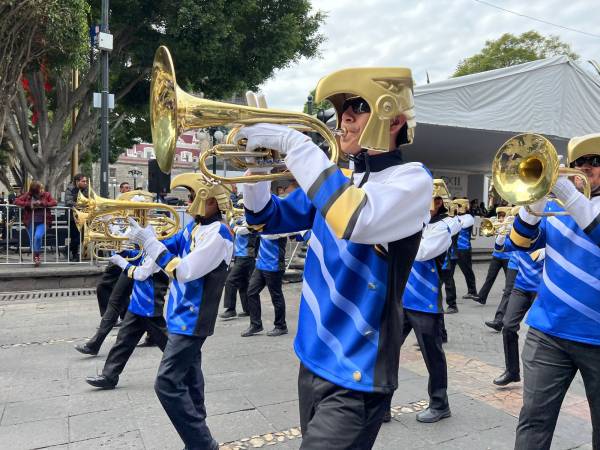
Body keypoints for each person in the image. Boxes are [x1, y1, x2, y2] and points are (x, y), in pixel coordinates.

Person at [241, 67, 431, 449]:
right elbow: (264, 219)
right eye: (343, 107)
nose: (343, 117)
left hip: (358, 368)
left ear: (393, 119)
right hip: (312, 355)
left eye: (357, 107)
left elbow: (353, 217)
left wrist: (293, 144)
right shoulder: (341, 178)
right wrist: (257, 172)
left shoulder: (413, 180)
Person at [128, 173, 233, 450]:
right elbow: (167, 246)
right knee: (190, 380)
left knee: (166, 384)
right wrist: (143, 235)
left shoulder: (219, 233)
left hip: (193, 318)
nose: (188, 202)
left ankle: (202, 444)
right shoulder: (195, 228)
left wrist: (149, 243)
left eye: (192, 196)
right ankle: (196, 441)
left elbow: (184, 271)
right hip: (179, 316)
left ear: (210, 200)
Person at [508, 133, 600, 450]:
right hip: (548, 333)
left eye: (595, 162)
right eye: (578, 163)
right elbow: (518, 243)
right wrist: (533, 200)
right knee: (533, 421)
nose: (585, 169)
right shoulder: (558, 207)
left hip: (597, 337)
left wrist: (567, 194)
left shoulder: (575, 204)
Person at [382, 194, 461, 423]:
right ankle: (382, 405)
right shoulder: (408, 226)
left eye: (429, 201)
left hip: (424, 303)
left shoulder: (441, 229)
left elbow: (422, 252)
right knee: (387, 352)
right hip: (400, 299)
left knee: (433, 356)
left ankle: (440, 404)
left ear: (438, 204)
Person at [84, 251, 169, 388]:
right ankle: (109, 376)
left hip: (149, 304)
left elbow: (142, 273)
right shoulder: (149, 245)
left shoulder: (161, 247)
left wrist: (121, 262)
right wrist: (123, 251)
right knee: (123, 340)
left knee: (168, 342)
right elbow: (140, 255)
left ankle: (190, 368)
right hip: (138, 302)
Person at [493, 246, 545, 386]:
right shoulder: (520, 226)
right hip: (521, 286)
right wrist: (501, 237)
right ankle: (512, 372)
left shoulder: (547, 224)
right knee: (508, 326)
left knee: (541, 334)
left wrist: (547, 250)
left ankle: (541, 377)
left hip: (543, 287)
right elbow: (501, 248)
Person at [74, 251, 138, 355]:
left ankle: (95, 345)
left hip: (139, 263)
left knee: (117, 300)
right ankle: (94, 345)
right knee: (115, 300)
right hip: (131, 261)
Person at [241, 232, 288, 337]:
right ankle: (255, 324)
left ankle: (281, 326)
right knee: (251, 292)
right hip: (261, 264)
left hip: (274, 265)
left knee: (276, 296)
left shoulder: (282, 225)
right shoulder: (263, 223)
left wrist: (261, 227)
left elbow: (270, 235)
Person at [473, 207, 513, 306]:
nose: (501, 218)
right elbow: (489, 234)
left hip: (508, 257)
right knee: (490, 277)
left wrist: (507, 226)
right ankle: (481, 297)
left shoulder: (512, 226)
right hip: (496, 255)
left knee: (509, 281)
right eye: (500, 216)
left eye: (504, 216)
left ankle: (512, 300)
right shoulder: (498, 225)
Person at [220, 218, 258, 319]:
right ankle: (248, 309)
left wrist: (235, 225)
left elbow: (240, 230)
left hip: (245, 256)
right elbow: (232, 226)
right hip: (240, 256)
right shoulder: (242, 221)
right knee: (243, 284)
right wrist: (234, 223)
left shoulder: (254, 221)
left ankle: (231, 309)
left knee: (230, 281)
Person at [15, 181, 57, 266]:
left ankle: (37, 256)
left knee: (37, 237)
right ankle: (36, 258)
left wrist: (42, 203)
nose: (42, 190)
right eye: (40, 188)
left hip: (43, 221)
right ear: (35, 190)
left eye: (42, 188)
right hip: (30, 221)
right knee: (32, 240)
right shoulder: (28, 195)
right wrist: (29, 204)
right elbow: (16, 201)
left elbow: (54, 202)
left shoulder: (46, 194)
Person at [454, 199, 478, 299]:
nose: (457, 208)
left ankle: (472, 291)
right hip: (452, 248)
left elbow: (460, 226)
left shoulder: (469, 217)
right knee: (446, 271)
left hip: (464, 248)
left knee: (467, 270)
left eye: (458, 206)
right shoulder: (454, 217)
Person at [65, 173, 89, 260]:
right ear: (77, 181)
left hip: (84, 216)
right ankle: (74, 253)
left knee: (82, 236)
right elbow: (68, 202)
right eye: (83, 181)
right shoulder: (70, 189)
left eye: (86, 181)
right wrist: (81, 204)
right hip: (73, 217)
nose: (85, 183)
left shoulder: (86, 189)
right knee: (75, 236)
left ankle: (71, 250)